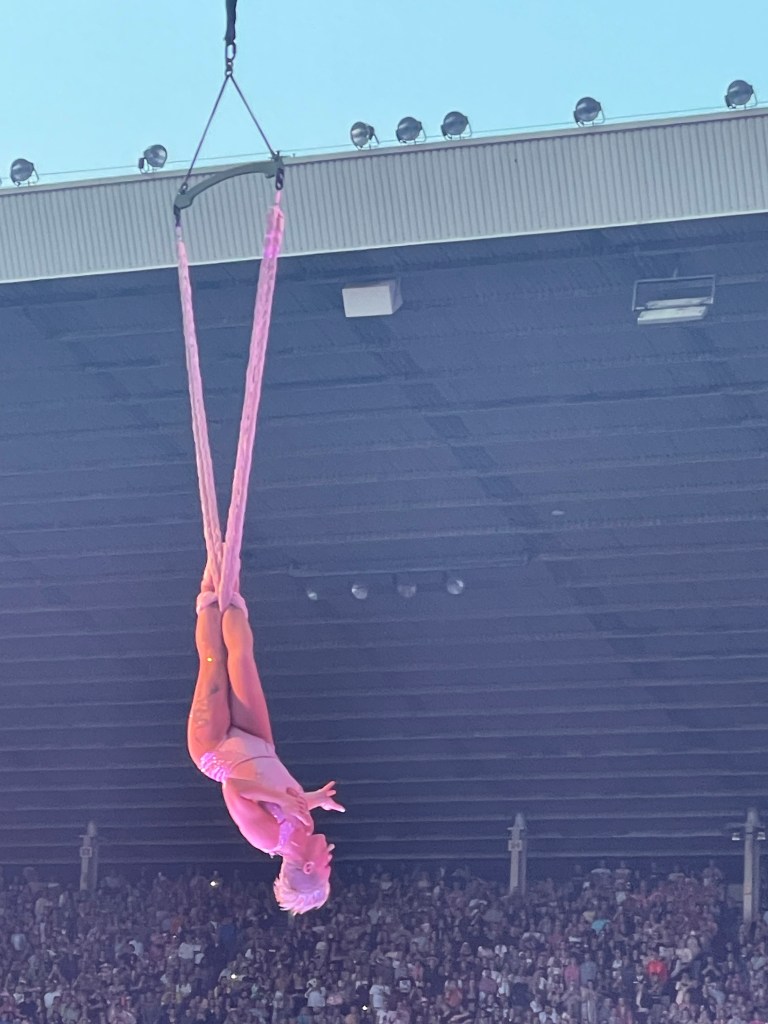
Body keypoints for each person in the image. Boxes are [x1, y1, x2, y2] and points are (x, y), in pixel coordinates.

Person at [186, 563, 344, 914]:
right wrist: (313, 799)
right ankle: (232, 594)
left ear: (308, 867)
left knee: (213, 663)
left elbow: (233, 789)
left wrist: (282, 799)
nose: (330, 861)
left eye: (326, 869)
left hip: (216, 750)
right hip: (258, 746)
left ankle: (208, 595)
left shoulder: (268, 839)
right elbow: (287, 804)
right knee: (243, 659)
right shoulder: (305, 827)